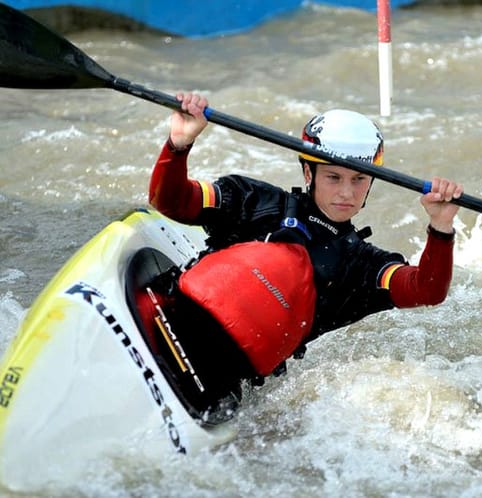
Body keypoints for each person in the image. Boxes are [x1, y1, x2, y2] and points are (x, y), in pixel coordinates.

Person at [147, 92, 463, 419]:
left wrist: (441, 227)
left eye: (359, 180)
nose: (346, 192)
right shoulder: (255, 200)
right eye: (333, 177)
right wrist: (179, 143)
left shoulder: (361, 266)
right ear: (309, 173)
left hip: (215, 386)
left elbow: (427, 290)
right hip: (165, 321)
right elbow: (169, 201)